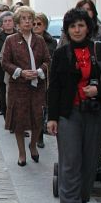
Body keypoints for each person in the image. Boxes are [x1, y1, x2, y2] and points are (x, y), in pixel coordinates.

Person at [47, 8, 101, 203]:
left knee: (90, 159)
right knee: (70, 159)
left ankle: (83, 198)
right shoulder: (61, 54)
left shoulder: (100, 50)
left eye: (81, 25)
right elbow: (54, 87)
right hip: (69, 112)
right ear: (67, 30)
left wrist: (98, 90)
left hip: (94, 112)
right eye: (72, 26)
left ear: (88, 27)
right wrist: (52, 117)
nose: (77, 30)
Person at [1, 6, 51, 166]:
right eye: (24, 19)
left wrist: (39, 71)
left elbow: (48, 60)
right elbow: (5, 62)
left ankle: (33, 144)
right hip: (18, 87)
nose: (28, 22)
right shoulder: (11, 41)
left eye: (30, 19)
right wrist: (20, 72)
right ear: (17, 22)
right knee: (19, 120)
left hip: (37, 87)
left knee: (37, 118)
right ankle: (22, 152)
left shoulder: (40, 40)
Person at [33, 12, 58, 149]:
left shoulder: (51, 41)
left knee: (43, 108)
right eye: (34, 24)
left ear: (45, 26)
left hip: (46, 78)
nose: (36, 26)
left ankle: (40, 134)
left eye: (39, 24)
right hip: (30, 78)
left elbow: (50, 58)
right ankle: (37, 135)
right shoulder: (28, 40)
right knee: (35, 109)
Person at [0, 11, 15, 118]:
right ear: (2, 24)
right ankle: (7, 118)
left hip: (16, 70)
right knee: (3, 95)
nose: (8, 23)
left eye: (10, 21)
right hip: (1, 70)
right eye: (5, 21)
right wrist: (5, 64)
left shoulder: (19, 36)